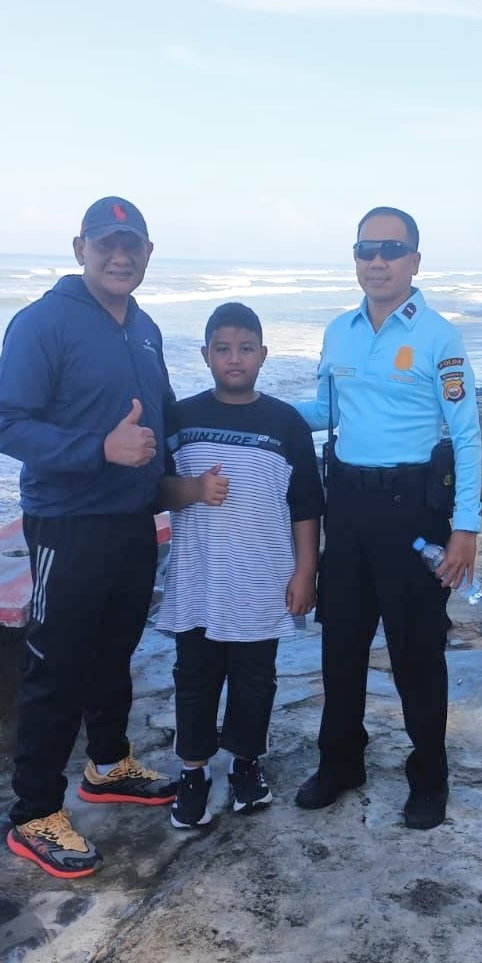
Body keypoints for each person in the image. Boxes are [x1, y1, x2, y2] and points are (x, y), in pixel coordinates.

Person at [0, 195, 178, 879]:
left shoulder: (145, 328)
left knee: (114, 650)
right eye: (106, 243)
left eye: (132, 245)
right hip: (67, 520)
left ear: (149, 254)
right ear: (80, 248)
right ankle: (34, 810)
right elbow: (8, 425)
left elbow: (163, 417)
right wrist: (101, 447)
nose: (120, 255)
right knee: (57, 663)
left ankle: (107, 763)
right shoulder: (43, 323)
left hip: (132, 518)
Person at [292, 206, 482, 830]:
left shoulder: (438, 337)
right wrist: (249, 408)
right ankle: (340, 761)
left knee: (416, 654)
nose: (377, 260)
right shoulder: (338, 332)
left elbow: (468, 434)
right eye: (366, 248)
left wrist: (466, 526)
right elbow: (324, 408)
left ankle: (429, 776)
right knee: (341, 645)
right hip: (346, 506)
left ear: (414, 262)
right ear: (355, 258)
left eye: (391, 249)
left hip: (413, 514)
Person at [155, 303, 323, 829]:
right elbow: (156, 491)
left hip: (261, 580)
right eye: (223, 349)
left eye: (245, 348)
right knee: (196, 678)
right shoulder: (180, 418)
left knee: (255, 680)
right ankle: (193, 771)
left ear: (263, 355)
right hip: (198, 581)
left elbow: (306, 506)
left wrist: (305, 573)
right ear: (205, 355)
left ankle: (246, 764)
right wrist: (195, 489)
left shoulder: (285, 422)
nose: (234, 359)